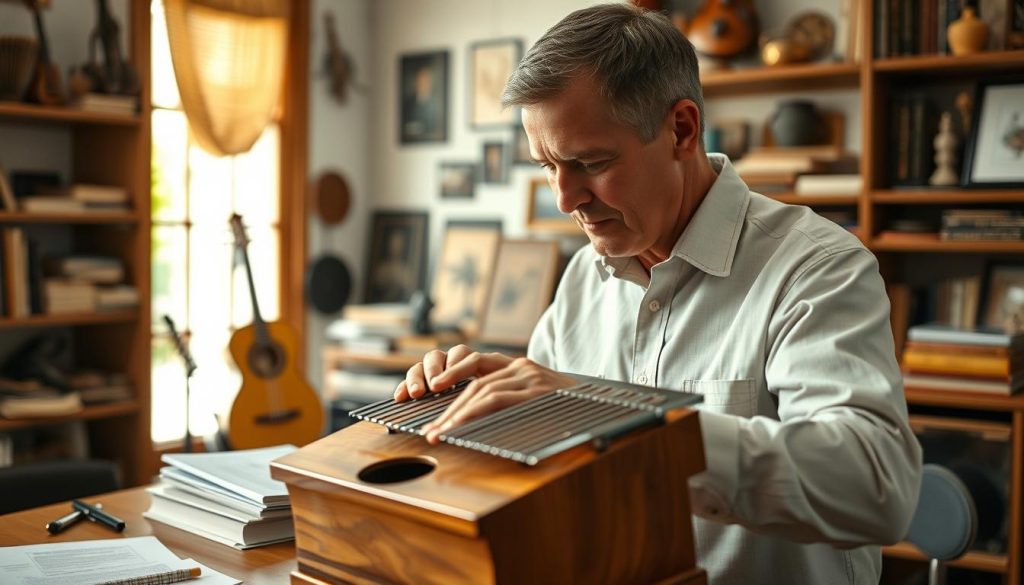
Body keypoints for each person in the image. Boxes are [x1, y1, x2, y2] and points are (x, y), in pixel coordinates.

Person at [393, 4, 922, 584]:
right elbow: (549, 468)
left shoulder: (816, 268)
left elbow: (877, 488)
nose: (566, 199)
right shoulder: (581, 280)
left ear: (682, 129)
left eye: (590, 162)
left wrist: (606, 419)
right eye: (547, 166)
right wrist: (472, 415)